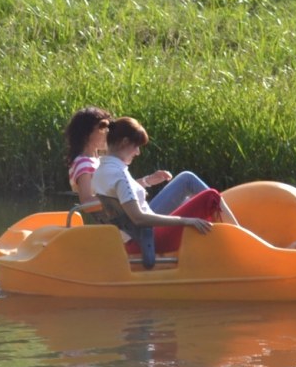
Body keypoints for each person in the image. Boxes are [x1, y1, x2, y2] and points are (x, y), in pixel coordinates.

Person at [90, 116, 228, 258]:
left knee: (187, 186)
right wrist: (186, 220)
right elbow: (138, 218)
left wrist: (147, 181)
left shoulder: (101, 171)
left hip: (132, 239)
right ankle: (237, 239)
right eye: (136, 146)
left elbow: (120, 194)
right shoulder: (119, 175)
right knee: (211, 195)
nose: (138, 152)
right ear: (125, 142)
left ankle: (228, 236)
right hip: (149, 239)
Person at [63, 106, 216, 213]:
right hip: (135, 219)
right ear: (87, 133)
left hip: (133, 216)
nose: (107, 133)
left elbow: (122, 190)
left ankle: (219, 214)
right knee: (187, 179)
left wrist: (148, 181)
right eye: (102, 129)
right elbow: (87, 202)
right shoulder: (84, 163)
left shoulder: (98, 161)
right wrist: (118, 200)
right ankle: (223, 210)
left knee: (188, 198)